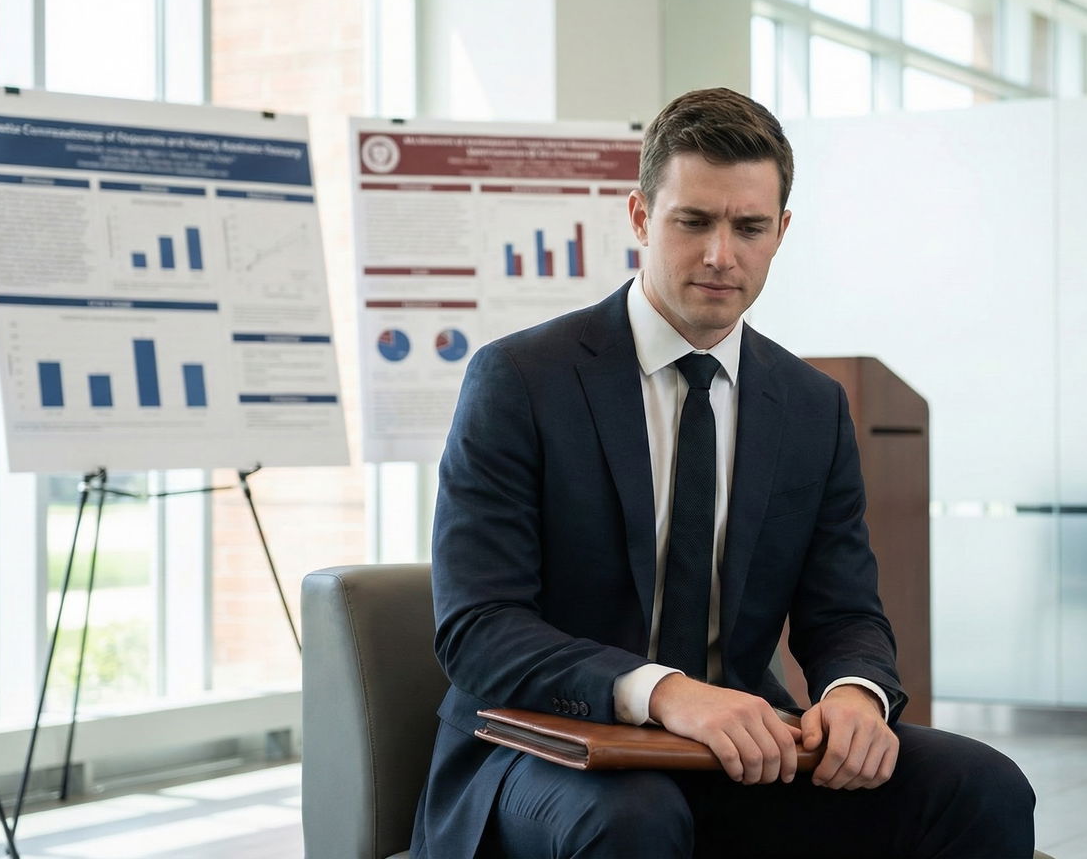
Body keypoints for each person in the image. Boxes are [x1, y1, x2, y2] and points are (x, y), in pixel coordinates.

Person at [410, 87, 1035, 858]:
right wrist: (667, 693)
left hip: (735, 752)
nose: (720, 255)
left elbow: (843, 614)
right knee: (636, 820)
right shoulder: (520, 380)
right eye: (693, 222)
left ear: (782, 232)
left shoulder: (812, 408)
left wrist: (853, 694)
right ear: (640, 216)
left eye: (749, 228)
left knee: (983, 785)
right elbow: (480, 629)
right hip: (545, 749)